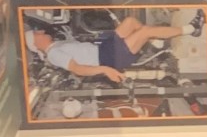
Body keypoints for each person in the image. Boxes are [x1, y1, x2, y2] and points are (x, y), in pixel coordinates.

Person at [28, 14, 183, 85]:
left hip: (104, 48)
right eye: (37, 33)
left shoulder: (56, 46)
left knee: (130, 22)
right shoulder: (53, 54)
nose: (41, 32)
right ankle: (190, 29)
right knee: (145, 32)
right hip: (109, 58)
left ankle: (153, 40)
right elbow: (78, 69)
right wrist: (105, 70)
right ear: (36, 44)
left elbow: (79, 51)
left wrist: (69, 38)